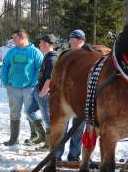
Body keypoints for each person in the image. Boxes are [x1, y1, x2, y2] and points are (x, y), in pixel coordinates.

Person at [1, 29, 44, 146]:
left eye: (14, 37)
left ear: (22, 38)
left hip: (30, 88)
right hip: (13, 88)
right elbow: (4, 66)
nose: (13, 40)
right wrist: (6, 83)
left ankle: (35, 136)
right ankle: (13, 139)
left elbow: (41, 68)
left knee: (30, 112)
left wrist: (33, 82)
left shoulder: (35, 52)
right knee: (14, 112)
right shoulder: (12, 52)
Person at [56, 29, 87, 162]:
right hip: (65, 98)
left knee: (78, 130)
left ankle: (74, 156)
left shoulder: (88, 56)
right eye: (69, 38)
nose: (69, 40)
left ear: (80, 40)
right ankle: (56, 155)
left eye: (72, 38)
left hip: (81, 99)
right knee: (62, 128)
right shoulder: (64, 54)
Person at [32, 34, 58, 150]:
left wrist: (42, 94)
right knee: (29, 110)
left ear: (47, 44)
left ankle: (49, 144)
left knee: (47, 118)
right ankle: (42, 136)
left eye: (41, 43)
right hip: (39, 90)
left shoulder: (52, 58)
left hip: (45, 94)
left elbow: (49, 79)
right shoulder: (47, 56)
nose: (39, 45)